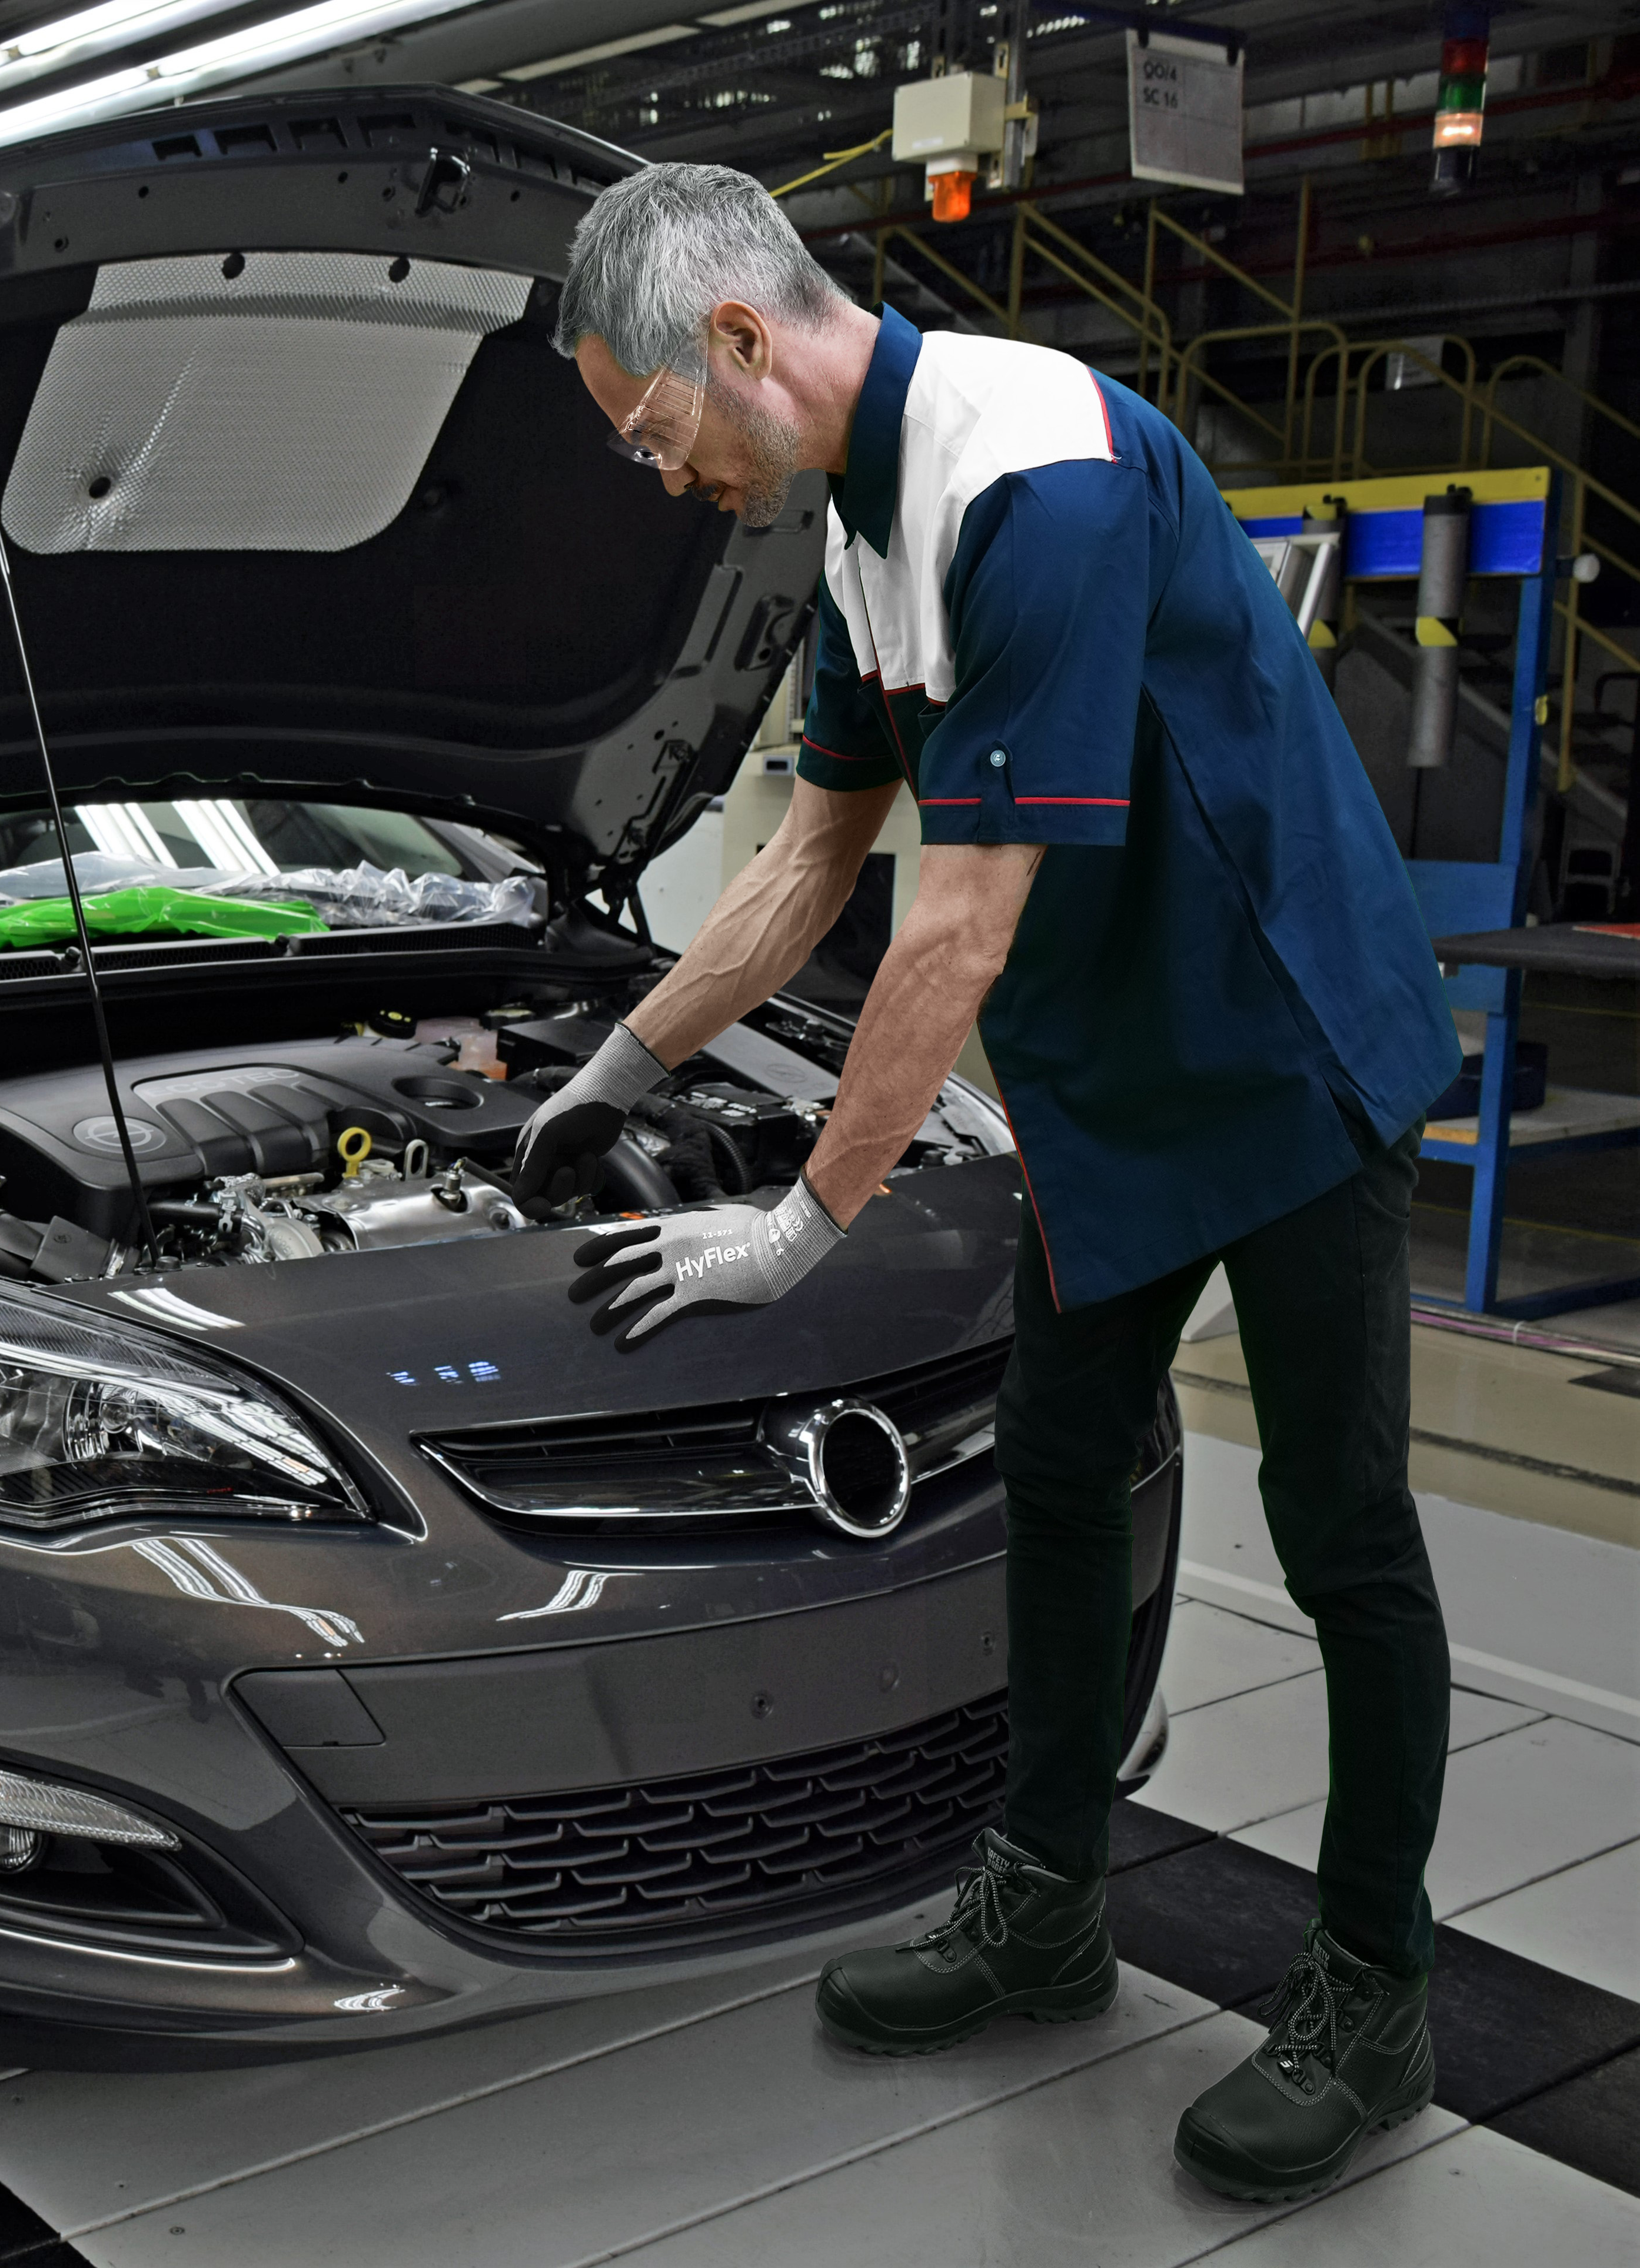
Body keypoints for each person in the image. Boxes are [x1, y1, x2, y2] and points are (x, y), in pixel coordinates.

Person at [517, 162, 1460, 2205]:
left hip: (1288, 1047)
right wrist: (614, 1069)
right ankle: (1044, 1906)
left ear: (742, 346)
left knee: (1343, 1531)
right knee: (1056, 1464)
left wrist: (800, 1225)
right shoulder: (860, 527)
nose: (664, 477)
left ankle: (1372, 1997)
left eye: (655, 429)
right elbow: (804, 864)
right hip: (1120, 1078)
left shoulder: (1037, 475)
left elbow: (957, 929)